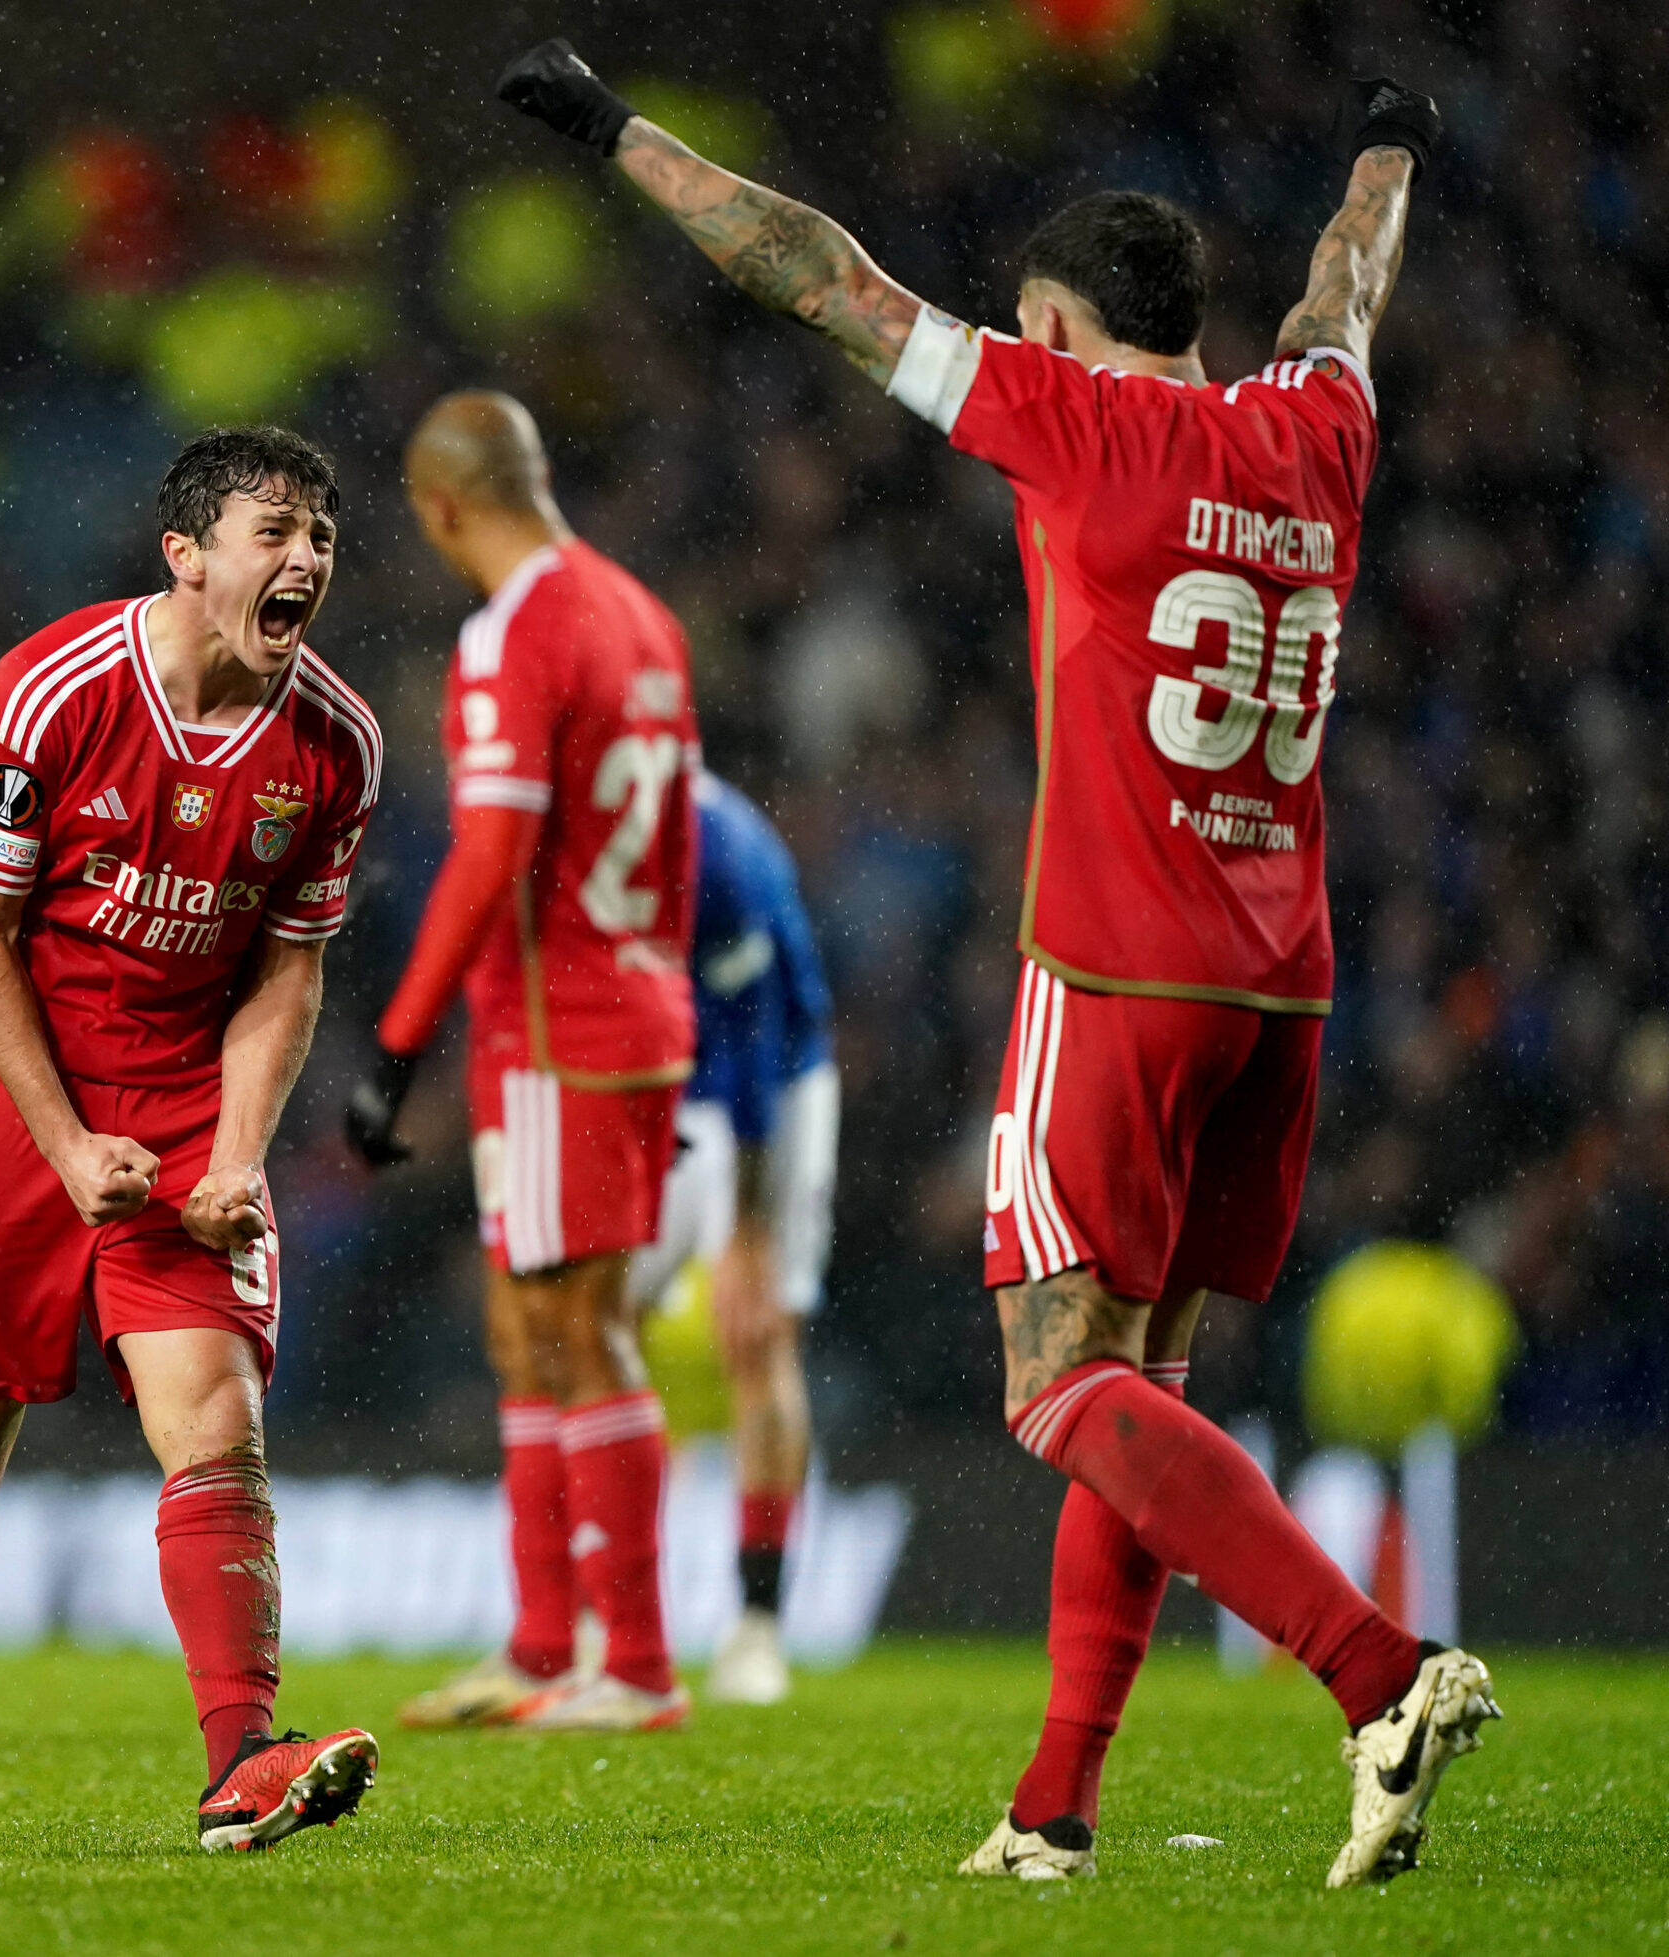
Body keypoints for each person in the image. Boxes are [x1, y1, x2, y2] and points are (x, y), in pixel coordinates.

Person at [497, 44, 1497, 1886]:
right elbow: (1346, 280)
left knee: (1053, 1388)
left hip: (1113, 971)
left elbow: (813, 272)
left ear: (1051, 321)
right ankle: (1053, 1812)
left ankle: (1379, 1665)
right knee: (1141, 1391)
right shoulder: (1319, 429)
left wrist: (617, 128)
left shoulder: (1071, 423)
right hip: (1280, 980)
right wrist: (1384, 136)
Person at [0, 426, 384, 1854]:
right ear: (188, 555)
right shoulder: (47, 694)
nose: (308, 560)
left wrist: (243, 1150)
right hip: (7, 1076)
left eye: (322, 535)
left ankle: (243, 1764)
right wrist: (68, 1144)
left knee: (216, 1421)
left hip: (184, 1094)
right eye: (275, 531)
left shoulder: (335, 743)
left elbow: (288, 968)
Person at [348, 391, 698, 1735]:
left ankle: (641, 1667)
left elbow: (491, 852)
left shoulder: (517, 628)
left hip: (568, 1028)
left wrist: (394, 1044)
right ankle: (548, 1646)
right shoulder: (640, 613)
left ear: (441, 508)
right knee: (524, 1329)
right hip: (616, 1011)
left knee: (580, 1327)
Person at [623, 770, 836, 1706]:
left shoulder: (723, 849)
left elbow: (755, 1037)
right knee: (594, 1321)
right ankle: (617, 1614)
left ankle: (756, 1624)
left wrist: (748, 1227)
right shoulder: (571, 815)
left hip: (776, 1084)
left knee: (758, 1334)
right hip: (662, 1079)